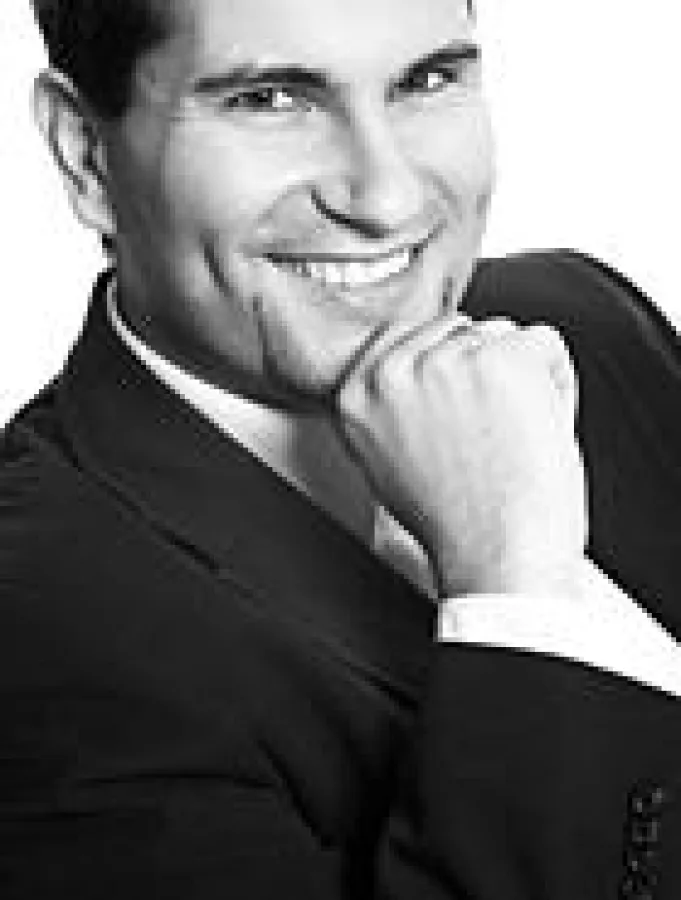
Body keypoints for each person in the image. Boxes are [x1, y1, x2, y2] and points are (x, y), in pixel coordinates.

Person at [1, 0, 679, 896]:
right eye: (269, 100)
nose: (386, 198)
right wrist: (517, 589)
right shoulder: (37, 636)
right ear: (86, 153)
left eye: (425, 80)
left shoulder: (584, 319)